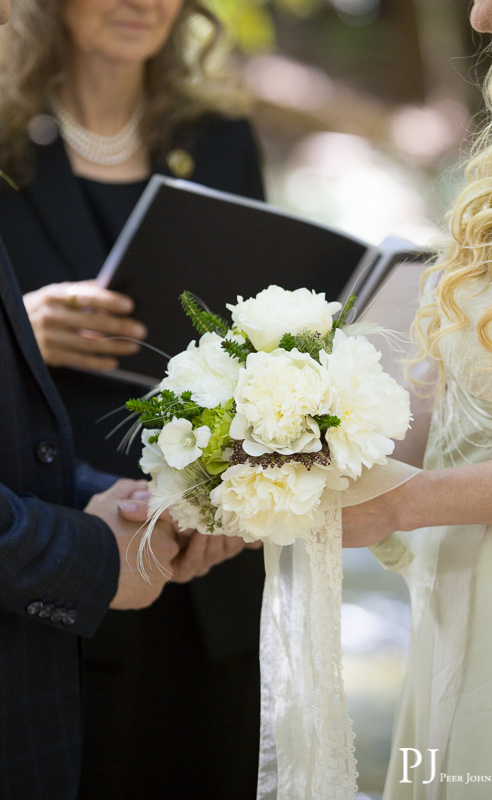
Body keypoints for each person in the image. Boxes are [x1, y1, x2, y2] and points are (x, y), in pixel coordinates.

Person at [0, 0, 265, 797]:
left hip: (208, 553)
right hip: (58, 543)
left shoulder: (219, 139)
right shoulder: (7, 140)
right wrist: (22, 333)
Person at [342, 0, 492, 797]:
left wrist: (401, 506)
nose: (482, 17)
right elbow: (452, 401)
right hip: (461, 609)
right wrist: (304, 460)